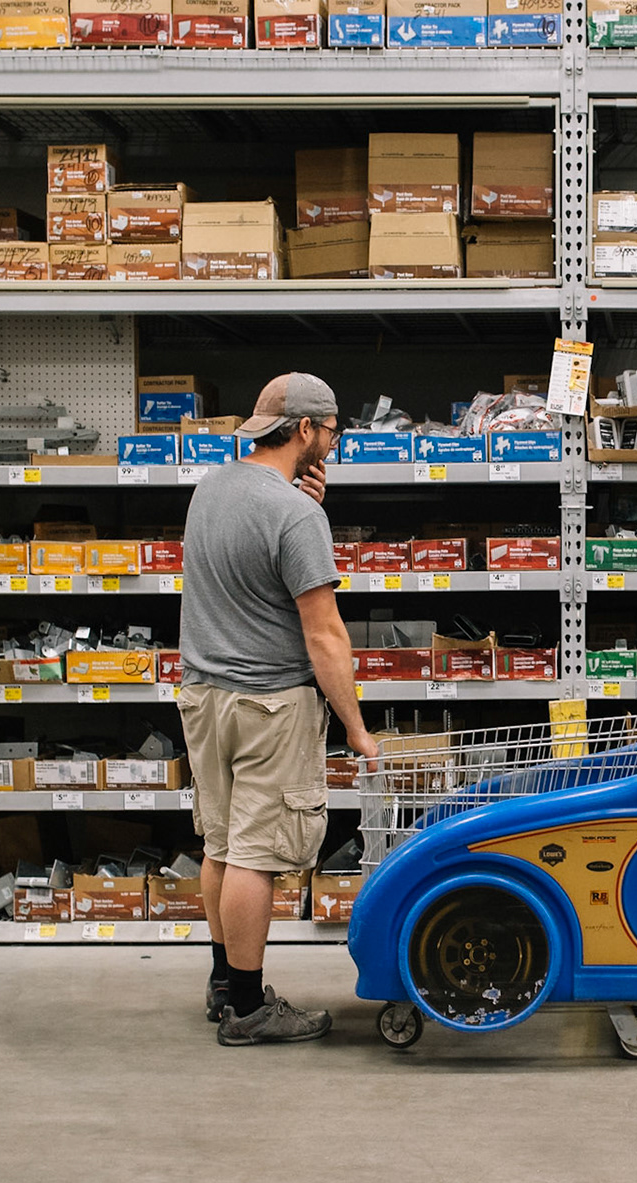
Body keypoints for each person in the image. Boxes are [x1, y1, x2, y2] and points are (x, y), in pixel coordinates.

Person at [177, 372, 380, 1047]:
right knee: (255, 857)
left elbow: (246, 566)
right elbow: (325, 636)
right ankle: (247, 1008)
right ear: (305, 429)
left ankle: (222, 983)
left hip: (204, 696)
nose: (335, 440)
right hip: (269, 704)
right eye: (331, 429)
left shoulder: (212, 488)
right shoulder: (296, 516)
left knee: (220, 845)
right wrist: (355, 727)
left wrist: (302, 503)